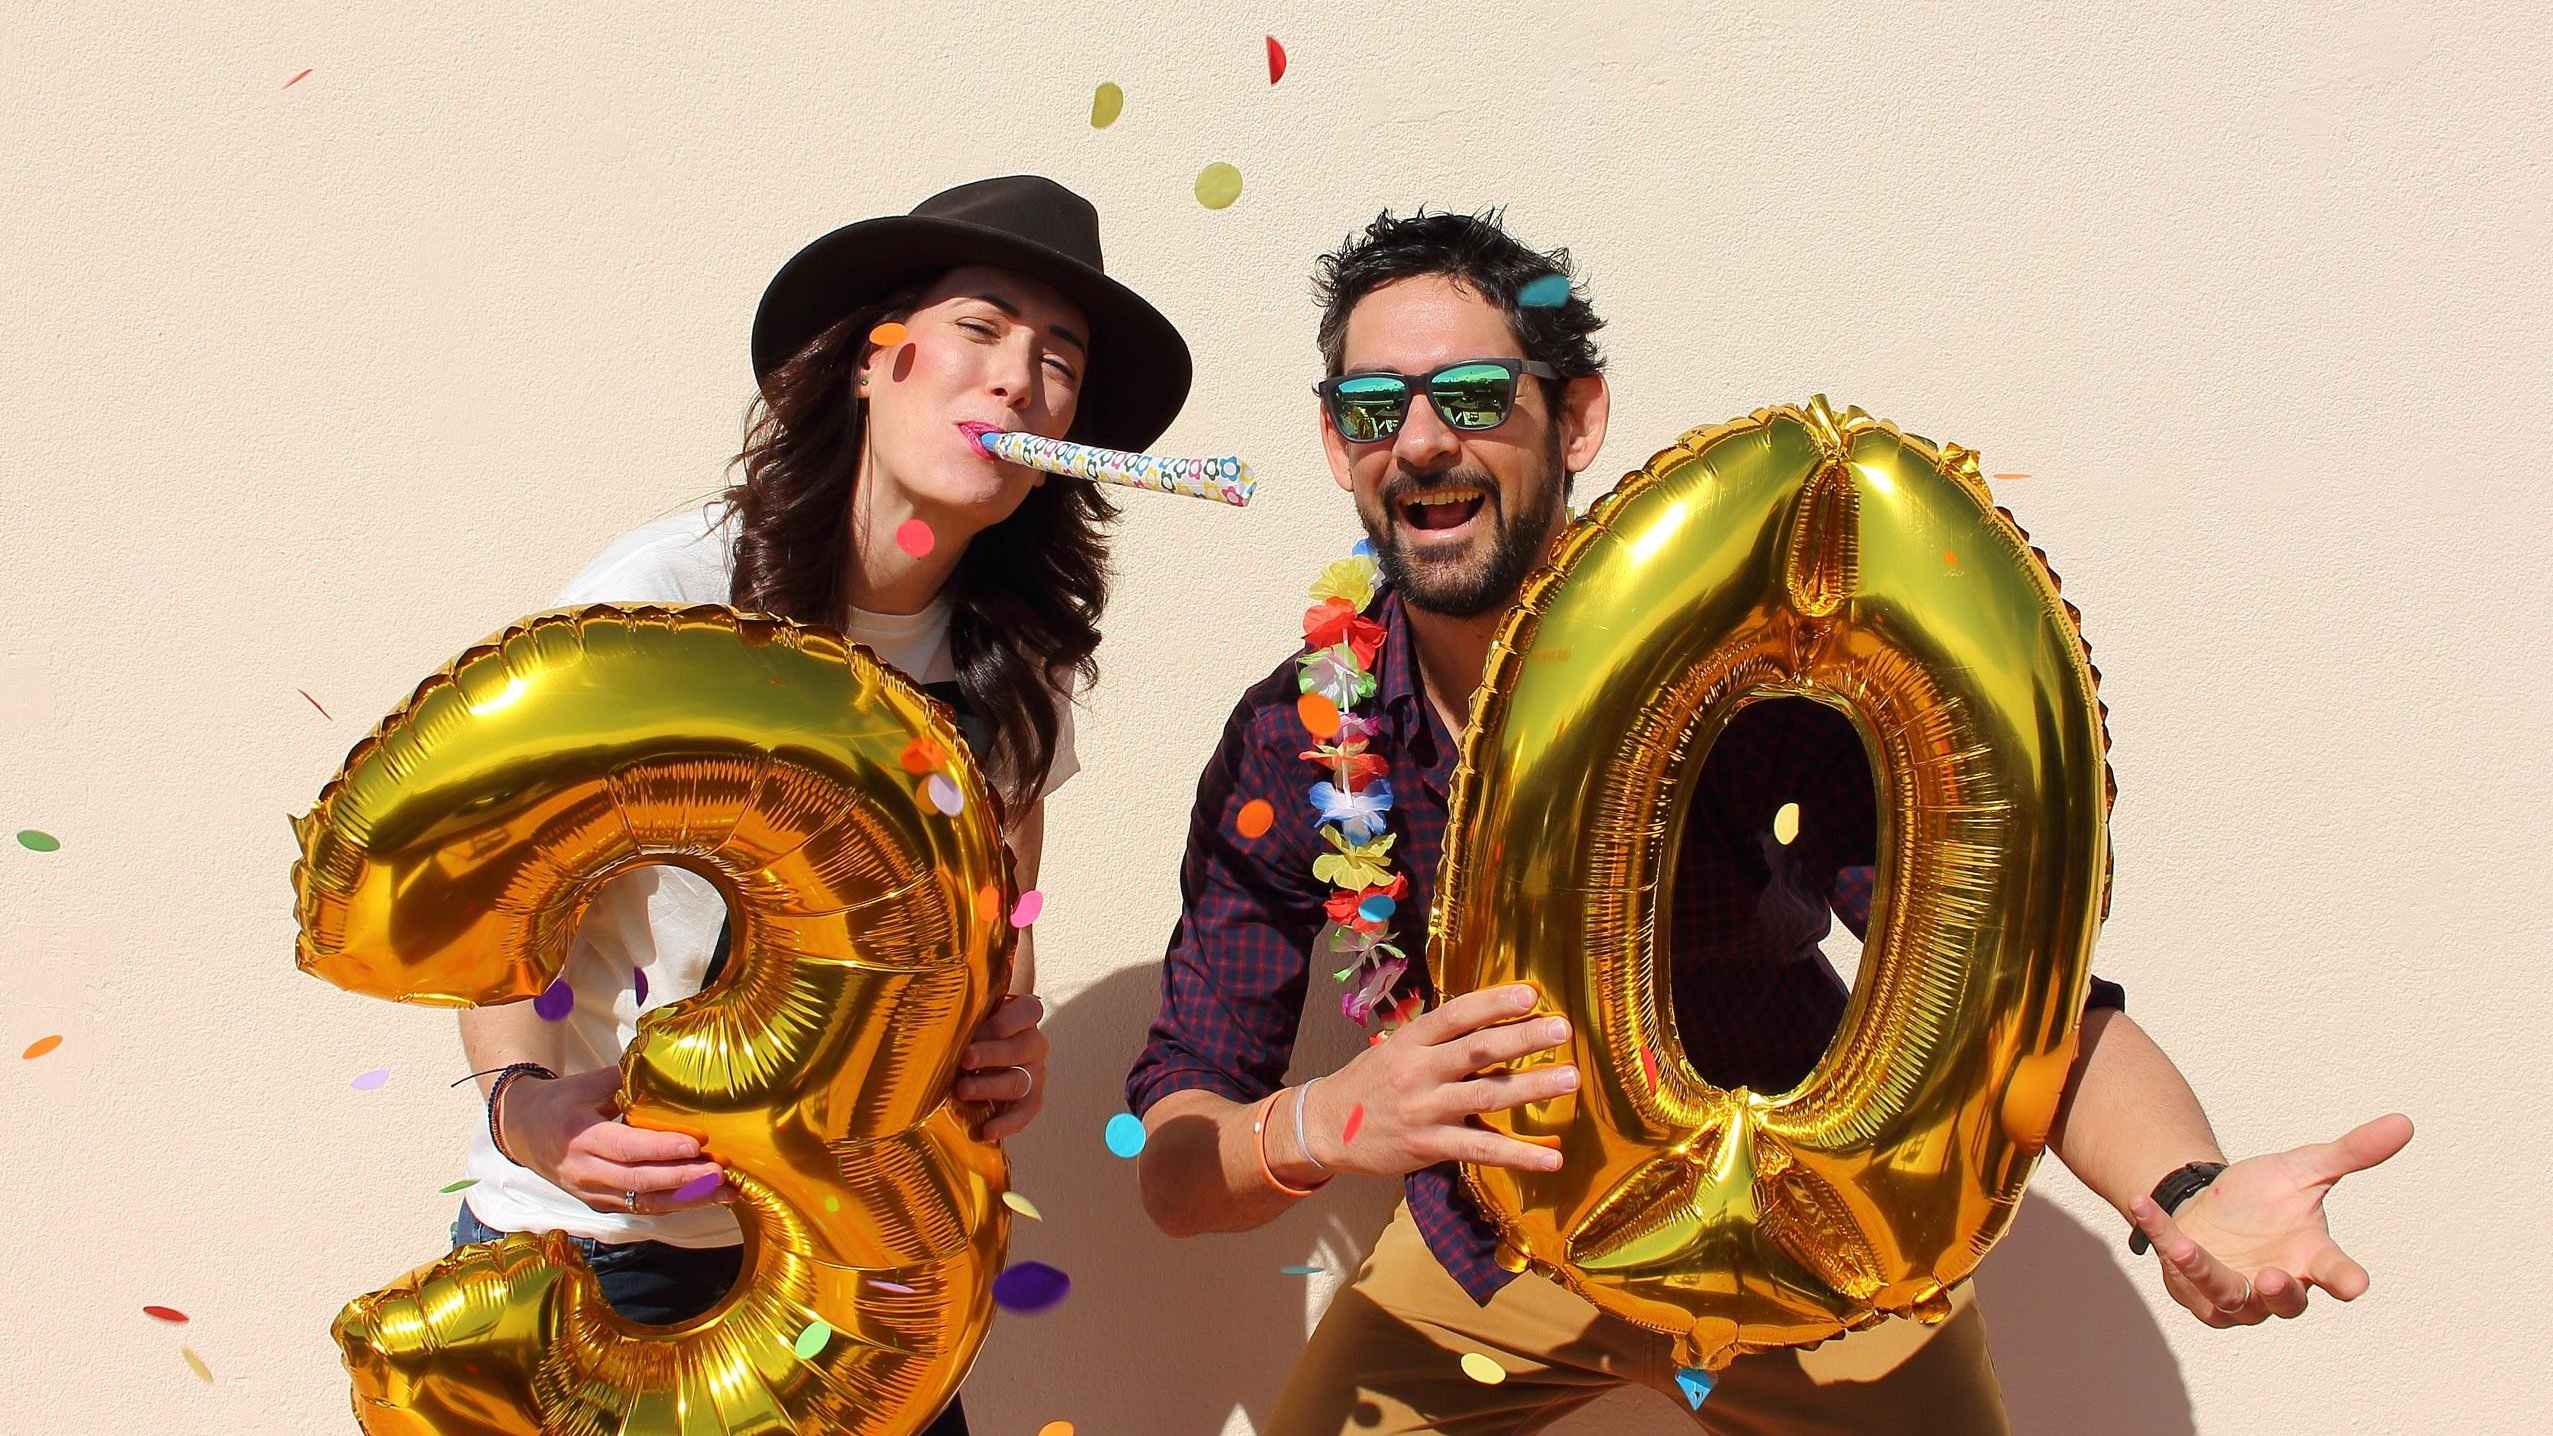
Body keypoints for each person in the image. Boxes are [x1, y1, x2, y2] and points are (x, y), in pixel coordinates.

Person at [1126, 208, 2411, 1434]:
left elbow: (2024, 1005)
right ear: (1333, 441)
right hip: (1489, 1250)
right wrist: (1331, 1119)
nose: (1416, 443)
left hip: (1810, 1254)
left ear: (1575, 417)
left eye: (1470, 396)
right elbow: (1169, 1155)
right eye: (1371, 408)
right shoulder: (1297, 739)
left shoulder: (1759, 681)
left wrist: (2187, 1189)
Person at [452, 175, 1192, 1436]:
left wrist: (1006, 1036)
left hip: (861, 1266)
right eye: (982, 326)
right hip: (611, 1262)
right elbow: (496, 896)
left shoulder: (1016, 654)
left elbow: (1000, 904)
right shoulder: (666, 603)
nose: (1018, 377)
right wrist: (526, 1110)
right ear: (873, 360)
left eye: (1058, 356)